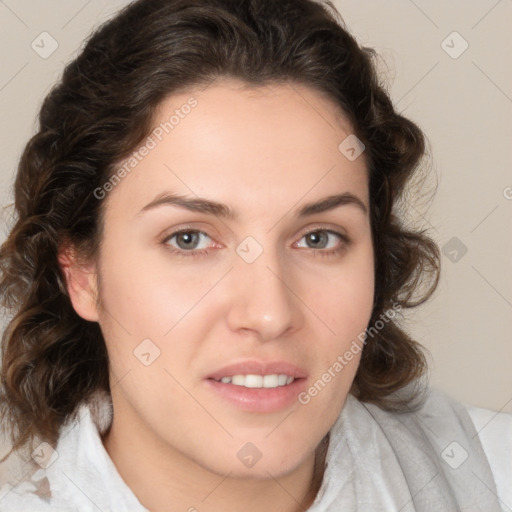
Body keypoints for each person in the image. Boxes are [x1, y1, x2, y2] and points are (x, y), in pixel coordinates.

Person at [0, 0, 510, 510]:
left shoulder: (490, 474)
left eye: (318, 238)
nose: (269, 314)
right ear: (83, 273)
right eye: (189, 239)